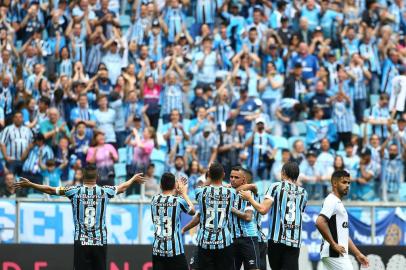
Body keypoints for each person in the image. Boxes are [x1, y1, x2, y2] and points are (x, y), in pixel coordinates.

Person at [14, 164, 146, 270]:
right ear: (97, 176)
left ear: (83, 175)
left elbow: (50, 189)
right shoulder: (105, 191)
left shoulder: (74, 190)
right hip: (100, 241)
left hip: (81, 241)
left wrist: (31, 184)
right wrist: (133, 179)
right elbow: (122, 188)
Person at [240, 162, 308, 270]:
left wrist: (250, 198)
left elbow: (263, 210)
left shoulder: (276, 186)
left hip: (276, 240)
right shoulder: (303, 192)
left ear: (283, 173)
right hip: (294, 241)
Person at [316, 170, 369, 270]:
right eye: (344, 182)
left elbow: (343, 235)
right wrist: (334, 244)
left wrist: (357, 254)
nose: (347, 185)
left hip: (334, 254)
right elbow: (319, 222)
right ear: (335, 183)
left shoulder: (337, 202)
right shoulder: (331, 200)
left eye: (349, 183)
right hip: (334, 254)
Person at [195, 162, 235, 270]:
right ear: (223, 175)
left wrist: (209, 177)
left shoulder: (199, 191)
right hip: (224, 241)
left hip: (205, 242)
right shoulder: (231, 192)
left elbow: (203, 187)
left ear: (209, 175)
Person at [151, 173, 195, 270]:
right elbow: (192, 211)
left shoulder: (154, 200)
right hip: (175, 251)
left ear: (160, 185)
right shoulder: (178, 201)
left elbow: (167, 199)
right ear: (175, 186)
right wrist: (183, 193)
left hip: (157, 250)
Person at [229, 166, 260, 270]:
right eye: (231, 177)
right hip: (232, 239)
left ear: (243, 180)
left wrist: (232, 209)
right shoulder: (227, 193)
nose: (233, 179)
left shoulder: (247, 194)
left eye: (236, 177)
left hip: (248, 238)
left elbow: (248, 216)